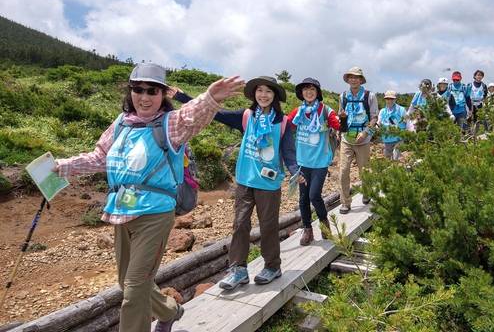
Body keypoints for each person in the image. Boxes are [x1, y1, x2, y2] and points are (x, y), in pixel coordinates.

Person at [53, 63, 243, 332]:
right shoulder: (121, 124)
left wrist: (210, 98)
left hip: (155, 214)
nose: (144, 96)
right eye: (138, 89)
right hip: (120, 211)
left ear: (163, 94)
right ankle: (169, 310)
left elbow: (192, 116)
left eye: (152, 91)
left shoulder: (170, 125)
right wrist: (63, 166)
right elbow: (99, 158)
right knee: (128, 282)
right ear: (130, 91)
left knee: (133, 289)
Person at [215, 76, 302, 290]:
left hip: (269, 184)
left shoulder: (282, 123)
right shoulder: (246, 116)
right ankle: (238, 270)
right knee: (240, 224)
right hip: (245, 181)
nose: (263, 95)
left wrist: (295, 171)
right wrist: (184, 96)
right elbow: (216, 113)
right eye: (260, 91)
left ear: (275, 96)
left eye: (268, 91)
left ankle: (272, 266)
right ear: (254, 94)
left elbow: (289, 152)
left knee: (268, 226)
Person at [287, 78, 342, 245]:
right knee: (303, 198)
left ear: (317, 92)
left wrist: (344, 120)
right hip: (302, 162)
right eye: (305, 89)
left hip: (320, 162)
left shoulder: (326, 110)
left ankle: (324, 224)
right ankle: (307, 229)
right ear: (301, 93)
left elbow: (340, 127)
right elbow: (286, 127)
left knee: (314, 195)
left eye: (312, 89)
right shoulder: (298, 112)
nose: (308, 92)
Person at [337, 67, 379, 213]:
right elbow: (341, 116)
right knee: (343, 170)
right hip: (346, 138)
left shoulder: (370, 96)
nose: (353, 79)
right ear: (348, 79)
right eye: (351, 77)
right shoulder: (343, 96)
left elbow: (374, 117)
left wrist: (366, 132)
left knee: (364, 171)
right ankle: (345, 202)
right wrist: (341, 121)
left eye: (357, 77)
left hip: (364, 139)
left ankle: (366, 193)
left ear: (361, 80)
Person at [377, 90, 407, 160]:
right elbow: (379, 122)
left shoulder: (401, 110)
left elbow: (407, 122)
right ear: (385, 99)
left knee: (395, 158)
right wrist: (376, 127)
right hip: (387, 139)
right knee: (387, 159)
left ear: (395, 99)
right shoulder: (382, 111)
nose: (389, 100)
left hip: (399, 139)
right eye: (387, 99)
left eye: (391, 99)